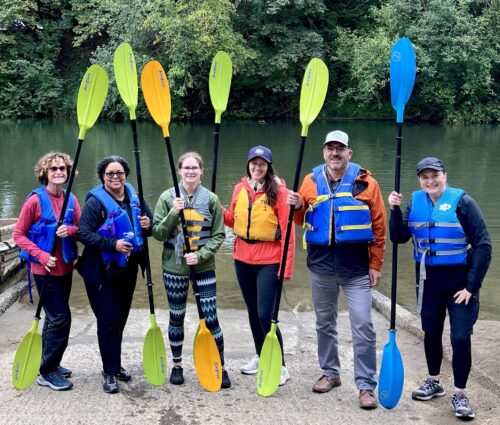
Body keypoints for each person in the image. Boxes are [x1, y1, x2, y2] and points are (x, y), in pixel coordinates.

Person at [287, 130, 386, 409]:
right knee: (324, 324)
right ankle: (331, 373)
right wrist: (295, 206)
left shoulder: (367, 183)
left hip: (356, 270)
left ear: (349, 153)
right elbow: (299, 219)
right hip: (321, 268)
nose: (335, 153)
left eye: (340, 148)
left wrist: (375, 264)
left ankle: (366, 385)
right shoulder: (309, 181)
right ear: (324, 152)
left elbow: (379, 227)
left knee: (363, 326)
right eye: (330, 148)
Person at [388, 157, 491, 420]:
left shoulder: (463, 202)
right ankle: (434, 381)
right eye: (424, 177)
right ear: (420, 180)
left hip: (460, 284)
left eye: (435, 175)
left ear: (445, 176)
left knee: (459, 338)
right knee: (431, 333)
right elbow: (398, 237)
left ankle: (460, 393)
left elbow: (483, 245)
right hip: (429, 282)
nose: (430, 181)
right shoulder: (415, 201)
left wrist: (471, 286)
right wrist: (395, 210)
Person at [152, 152, 231, 388]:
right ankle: (177, 364)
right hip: (174, 269)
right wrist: (173, 213)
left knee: (210, 318)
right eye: (186, 168)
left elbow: (219, 235)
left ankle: (221, 365)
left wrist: (201, 255)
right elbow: (157, 233)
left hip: (203, 268)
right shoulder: (168, 197)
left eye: (194, 168)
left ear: (201, 170)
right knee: (177, 316)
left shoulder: (211, 199)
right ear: (179, 170)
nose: (190, 172)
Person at [77, 155, 152, 394]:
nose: (115, 177)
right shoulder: (95, 203)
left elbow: (148, 226)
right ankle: (109, 372)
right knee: (108, 321)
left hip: (127, 268)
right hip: (102, 271)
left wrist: (148, 224)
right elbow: (84, 234)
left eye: (119, 172)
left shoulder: (134, 197)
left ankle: (115, 364)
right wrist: (113, 244)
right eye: (110, 174)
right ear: (103, 177)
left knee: (120, 319)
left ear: (125, 174)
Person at [222, 145, 295, 385]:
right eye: (254, 163)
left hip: (269, 260)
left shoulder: (281, 193)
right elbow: (234, 220)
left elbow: (288, 232)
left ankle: (280, 364)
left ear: (268, 167)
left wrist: (286, 267)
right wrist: (215, 208)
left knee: (266, 313)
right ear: (248, 165)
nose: (257, 167)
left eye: (262, 164)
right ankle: (260, 354)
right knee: (252, 311)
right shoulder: (239, 189)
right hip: (243, 258)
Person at [13, 151, 80, 391]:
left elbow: (80, 227)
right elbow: (18, 235)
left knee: (53, 318)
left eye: (62, 168)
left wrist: (69, 231)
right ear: (45, 173)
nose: (59, 172)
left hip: (65, 267)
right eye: (54, 169)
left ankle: (51, 362)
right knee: (61, 319)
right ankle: (46, 371)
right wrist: (41, 256)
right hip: (44, 270)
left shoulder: (71, 199)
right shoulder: (34, 201)